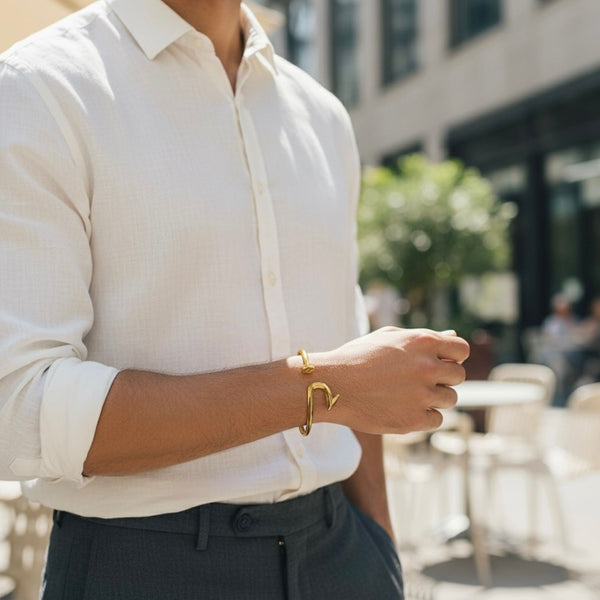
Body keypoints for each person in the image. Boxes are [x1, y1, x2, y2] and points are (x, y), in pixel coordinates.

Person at [0, 1, 469, 598]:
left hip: (342, 551)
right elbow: (19, 413)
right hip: (144, 567)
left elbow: (347, 336)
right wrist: (325, 386)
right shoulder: (39, 89)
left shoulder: (321, 114)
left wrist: (380, 548)